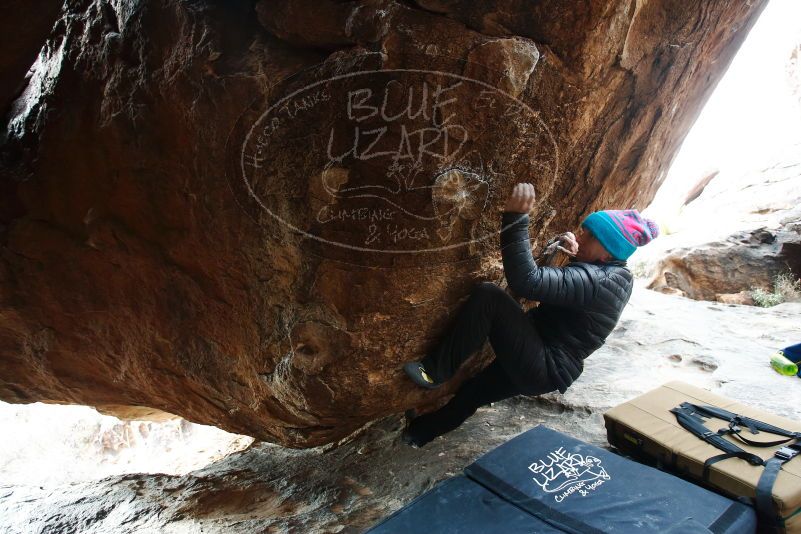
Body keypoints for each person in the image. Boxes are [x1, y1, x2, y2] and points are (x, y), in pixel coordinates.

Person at [401, 182, 659, 447]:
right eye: (584, 231)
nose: (579, 238)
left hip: (543, 363)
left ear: (608, 251)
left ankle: (435, 371)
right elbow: (580, 297)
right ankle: (418, 434)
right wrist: (581, 260)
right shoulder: (618, 276)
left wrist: (516, 217)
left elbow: (527, 281)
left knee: (490, 297)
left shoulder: (596, 281)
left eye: (589, 236)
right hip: (546, 364)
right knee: (474, 391)